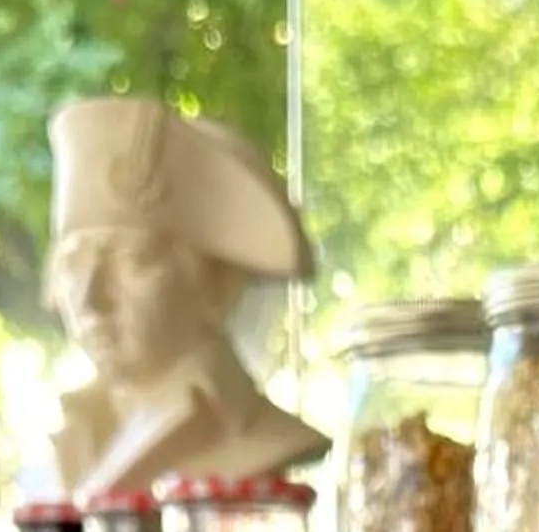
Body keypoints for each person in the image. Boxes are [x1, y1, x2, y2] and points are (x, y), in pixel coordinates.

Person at [44, 97, 327, 498]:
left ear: (218, 287)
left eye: (132, 259)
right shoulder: (80, 426)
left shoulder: (258, 439)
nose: (90, 299)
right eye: (73, 264)